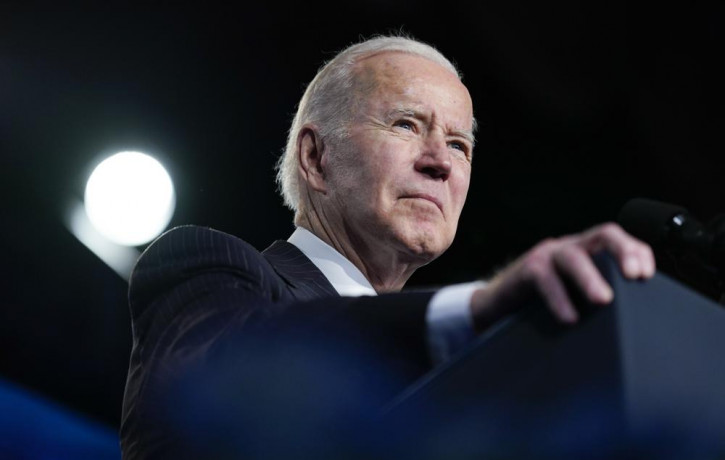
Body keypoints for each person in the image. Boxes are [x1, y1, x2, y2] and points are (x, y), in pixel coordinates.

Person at [120, 35, 655, 459]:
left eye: (459, 144)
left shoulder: (461, 381)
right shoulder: (204, 266)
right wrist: (473, 309)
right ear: (316, 158)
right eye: (406, 124)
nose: (440, 162)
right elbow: (231, 384)